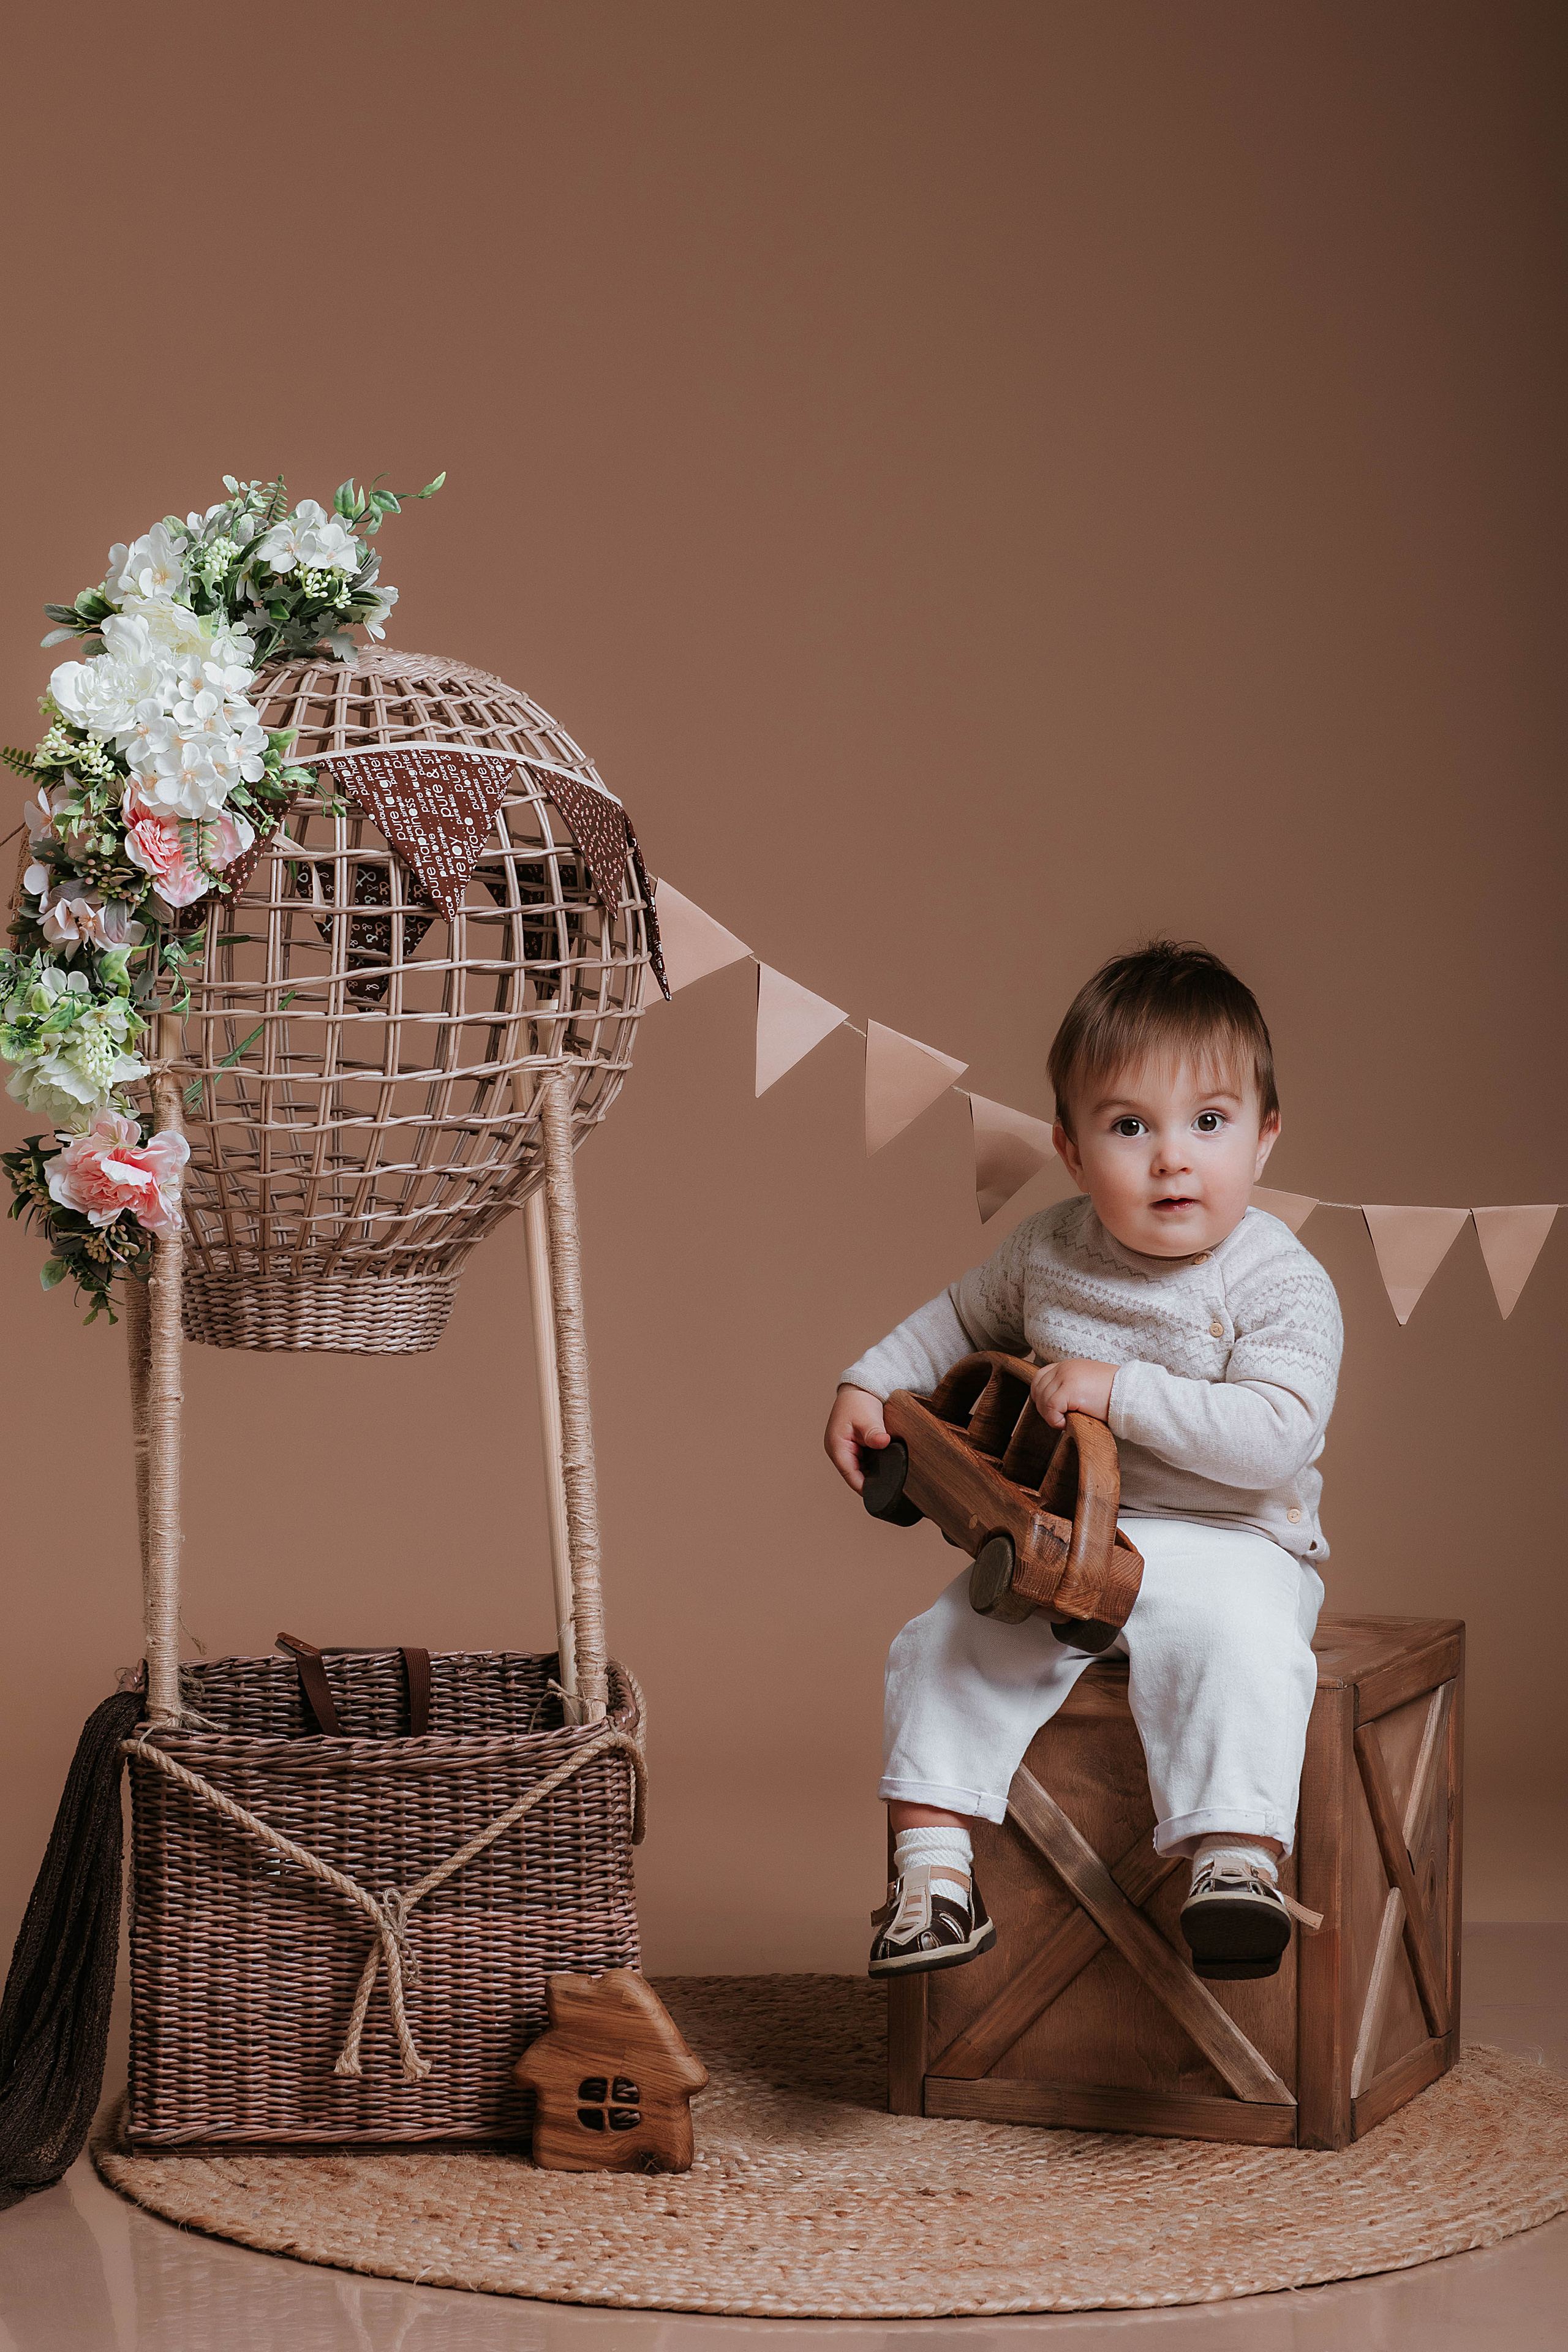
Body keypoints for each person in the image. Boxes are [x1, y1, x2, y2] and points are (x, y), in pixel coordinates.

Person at [825, 940, 1343, 1982]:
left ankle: (1236, 1857)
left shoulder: (1279, 1280)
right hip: (1068, 1544)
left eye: (1209, 1122)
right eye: (1128, 1126)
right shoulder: (1048, 1248)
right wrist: (868, 1384)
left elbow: (1274, 1434)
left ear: (1265, 1135)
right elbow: (956, 1318)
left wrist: (1125, 1391)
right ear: (1070, 1149)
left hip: (1229, 1540)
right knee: (941, 1641)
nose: (1172, 1158)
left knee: (1242, 1645)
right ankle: (932, 1878)